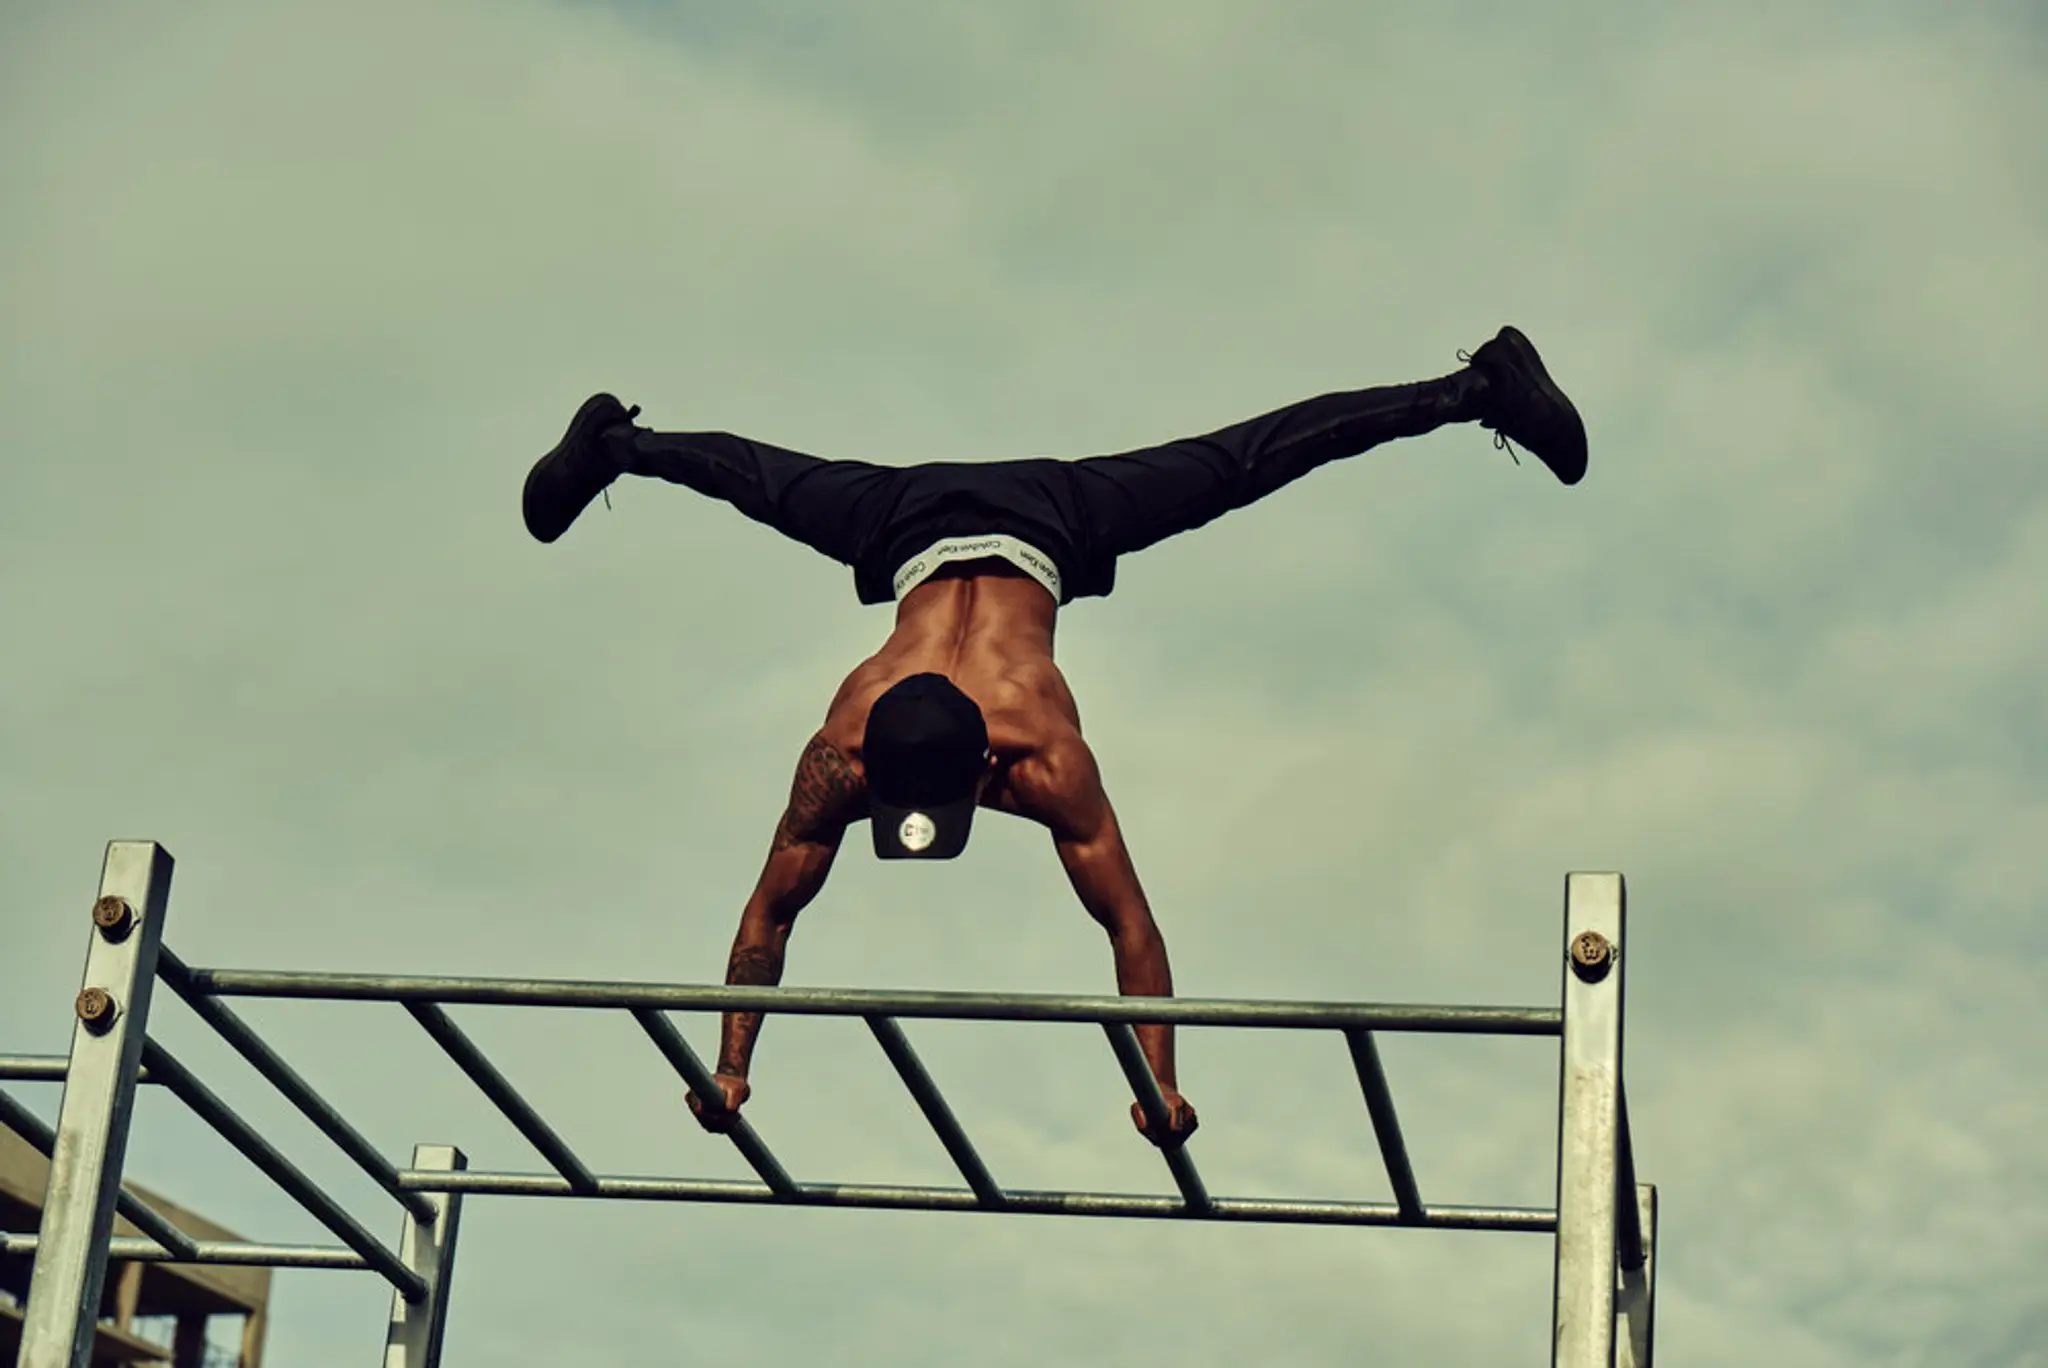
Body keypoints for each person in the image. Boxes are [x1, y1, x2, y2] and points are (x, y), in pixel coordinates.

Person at [521, 326, 1586, 1149]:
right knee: (754, 478)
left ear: (990, 762)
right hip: (906, 522)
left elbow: (1129, 925)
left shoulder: (1043, 755)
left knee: (1249, 459)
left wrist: (1160, 1079)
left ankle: (1480, 387)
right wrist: (731, 1066)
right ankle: (609, 440)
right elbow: (772, 907)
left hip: (1049, 516)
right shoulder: (840, 754)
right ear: (868, 770)